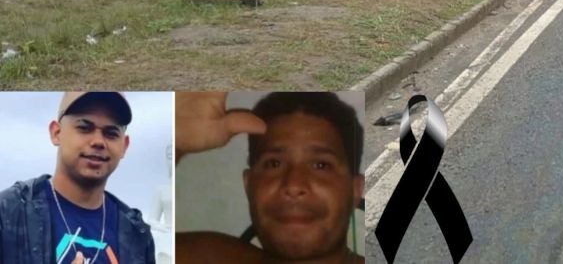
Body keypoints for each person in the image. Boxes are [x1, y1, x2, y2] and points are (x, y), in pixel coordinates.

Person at [174, 92, 365, 264]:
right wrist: (171, 141)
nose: (293, 185)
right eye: (274, 164)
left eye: (321, 165)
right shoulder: (203, 256)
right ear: (249, 186)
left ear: (355, 190)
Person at [0, 92, 157, 264]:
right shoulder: (10, 212)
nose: (98, 141)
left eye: (111, 133)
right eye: (84, 128)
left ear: (124, 146)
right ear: (56, 133)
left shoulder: (137, 235)